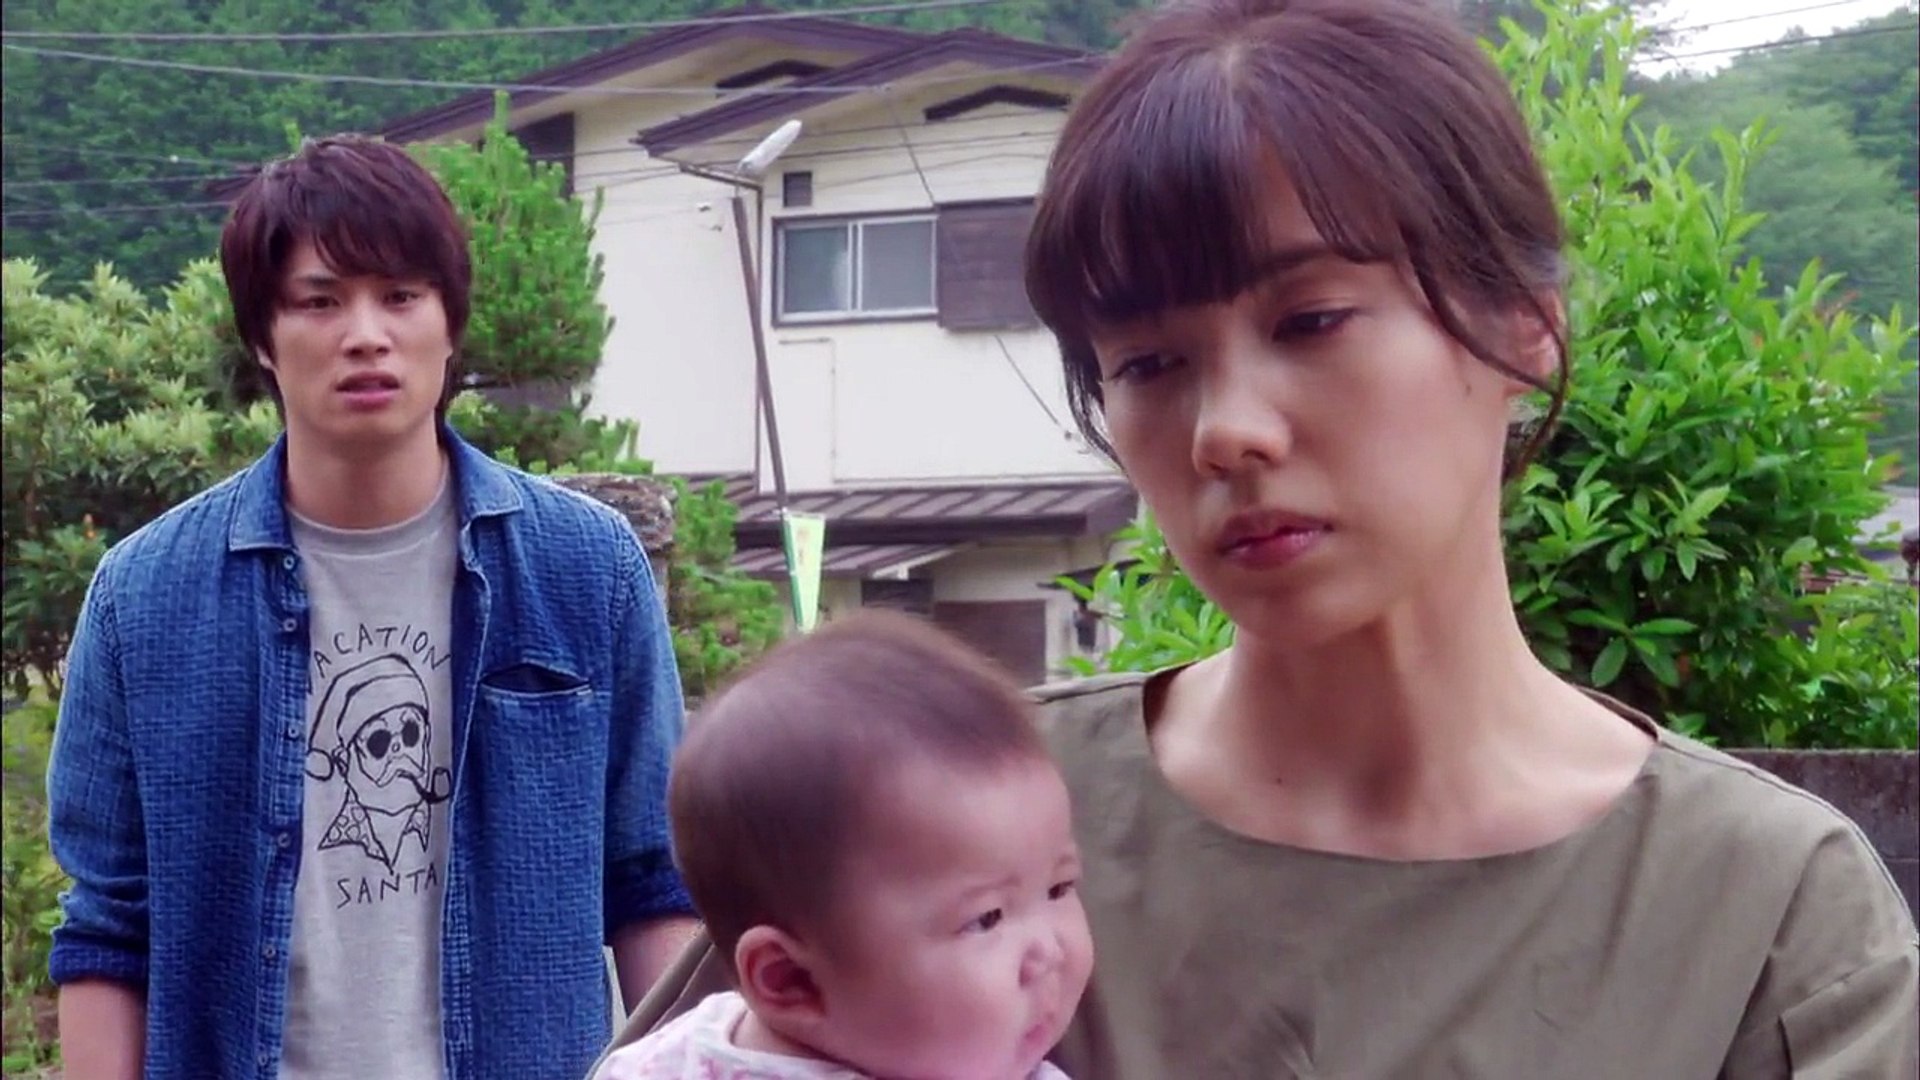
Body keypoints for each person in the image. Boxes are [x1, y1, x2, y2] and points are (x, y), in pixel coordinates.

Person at [606, 0, 1919, 1076]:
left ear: (1524, 327)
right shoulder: (937, 810)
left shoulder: (1765, 914)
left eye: (1312, 321)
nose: (1225, 431)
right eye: (1147, 362)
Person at [46, 134, 698, 1080]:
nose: (364, 334)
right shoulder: (144, 597)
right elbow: (109, 925)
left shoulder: (585, 570)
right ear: (263, 338)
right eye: (320, 301)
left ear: (449, 322)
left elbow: (654, 879)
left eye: (400, 295)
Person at [593, 611, 1092, 1080]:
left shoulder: (664, 1060)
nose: (1049, 952)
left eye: (1059, 888)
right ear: (792, 980)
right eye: (987, 918)